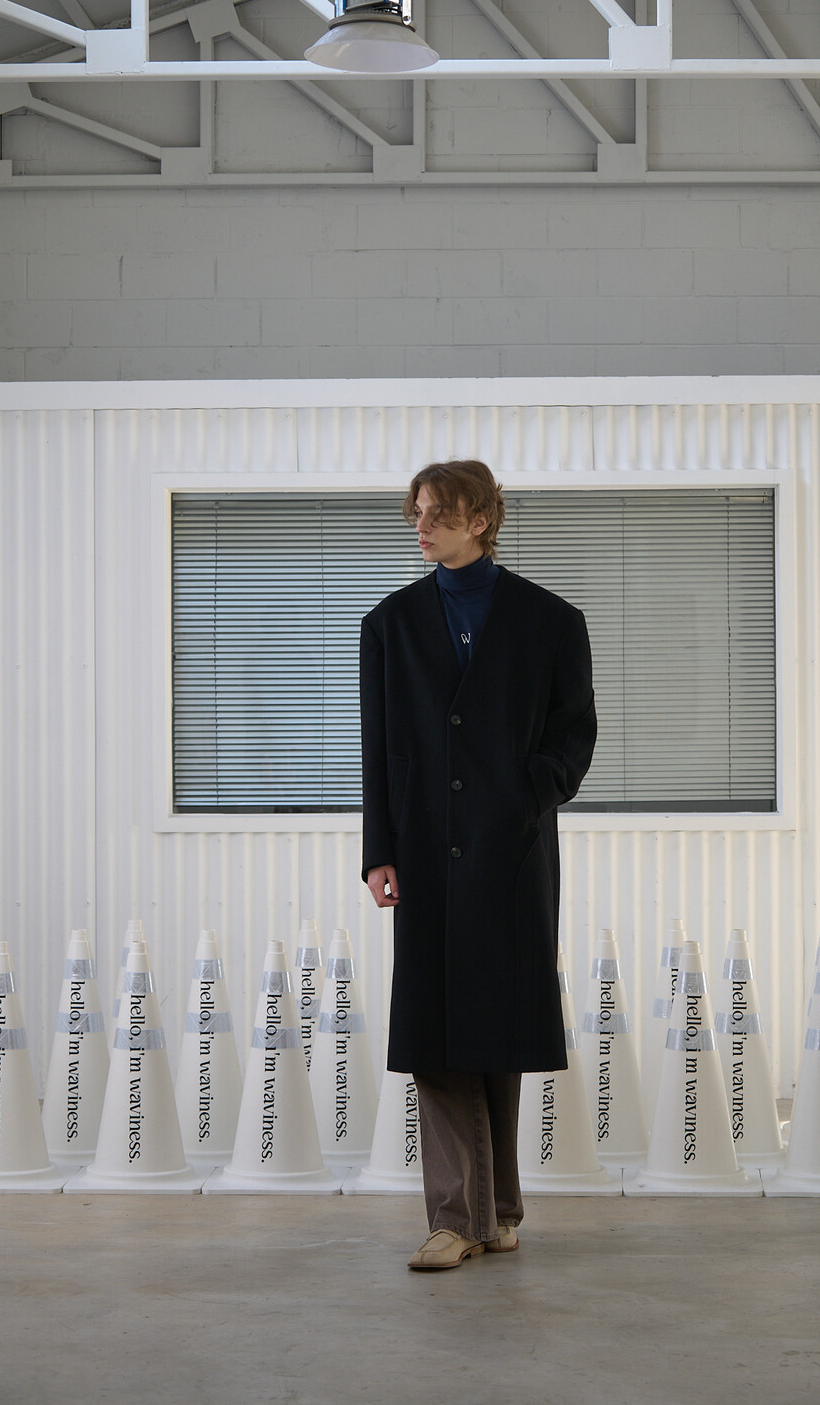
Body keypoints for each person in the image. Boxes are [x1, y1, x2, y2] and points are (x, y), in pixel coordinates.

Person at [359, 459, 597, 1270]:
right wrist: (380, 851)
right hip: (425, 852)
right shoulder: (389, 625)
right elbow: (378, 751)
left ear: (482, 519)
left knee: (494, 1027)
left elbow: (574, 732)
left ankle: (497, 1213)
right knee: (435, 1033)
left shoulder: (550, 621)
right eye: (417, 513)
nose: (422, 527)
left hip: (512, 852)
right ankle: (458, 1217)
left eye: (439, 513)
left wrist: (526, 795)